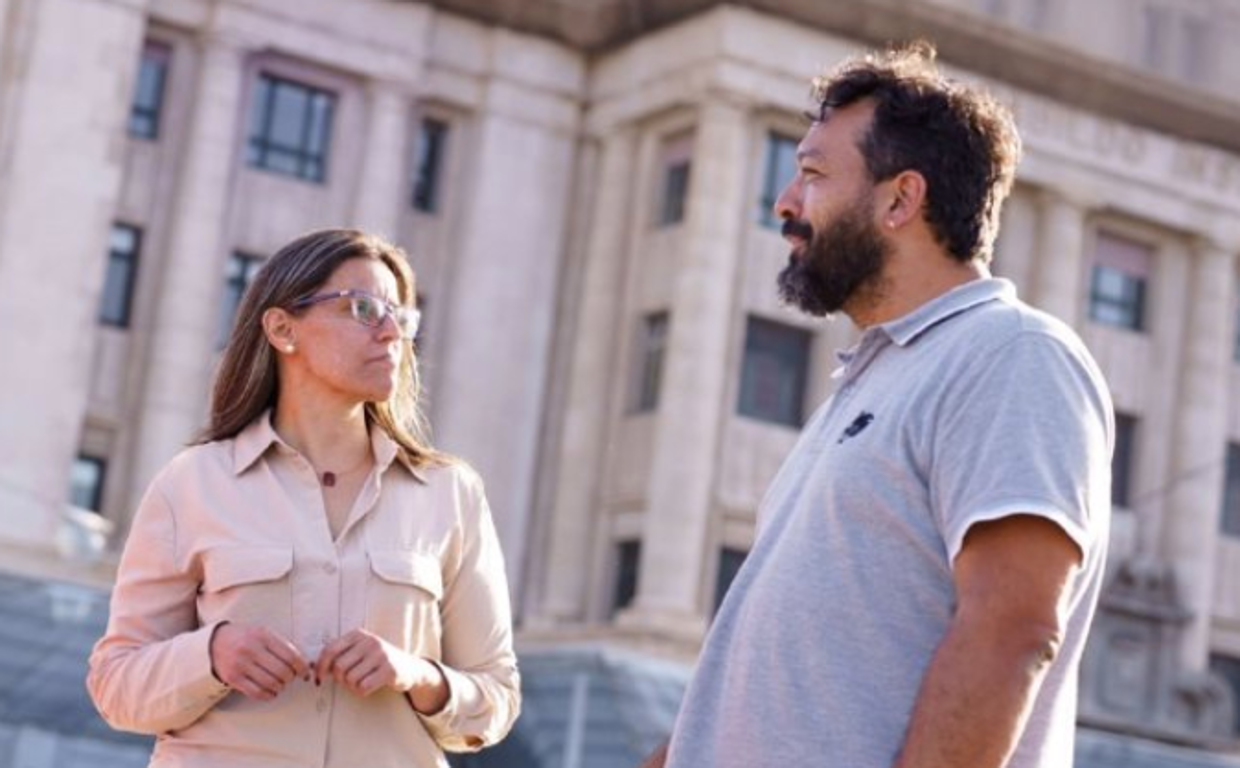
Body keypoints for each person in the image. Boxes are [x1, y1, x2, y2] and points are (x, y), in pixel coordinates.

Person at [644, 42, 1112, 768]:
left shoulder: (1013, 355)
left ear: (901, 199)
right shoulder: (867, 384)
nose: (785, 203)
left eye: (811, 175)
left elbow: (1013, 630)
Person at [88, 229, 519, 767]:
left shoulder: (451, 494)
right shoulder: (192, 484)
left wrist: (417, 674)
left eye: (400, 316)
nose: (391, 333)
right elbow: (115, 686)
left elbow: (497, 697)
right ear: (282, 328)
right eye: (362, 308)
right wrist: (212, 655)